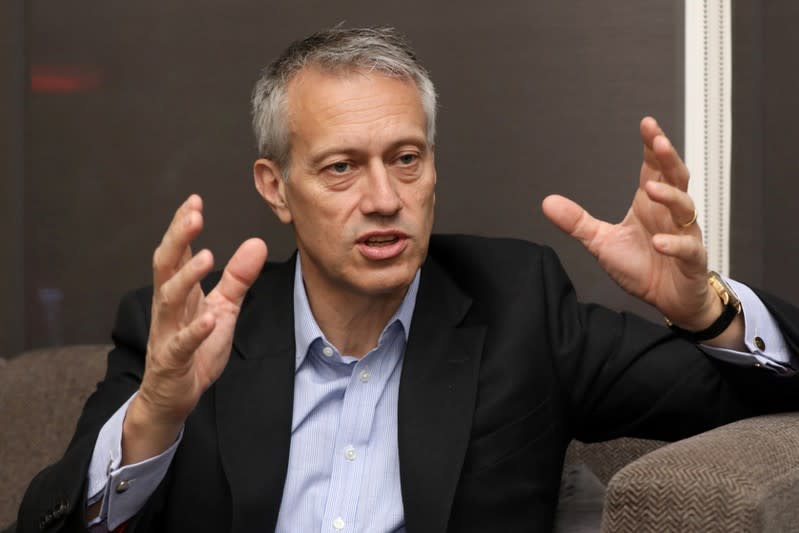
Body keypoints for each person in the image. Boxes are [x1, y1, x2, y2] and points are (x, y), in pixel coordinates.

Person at [17, 26, 799, 533]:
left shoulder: (518, 302)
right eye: (339, 168)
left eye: (404, 158)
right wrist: (156, 412)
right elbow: (46, 519)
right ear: (275, 187)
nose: (383, 198)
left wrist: (705, 309)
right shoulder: (199, 334)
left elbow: (752, 401)